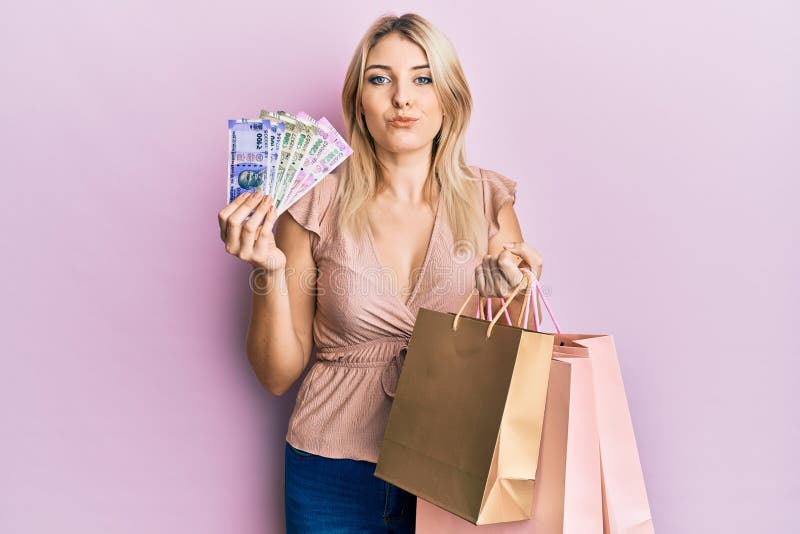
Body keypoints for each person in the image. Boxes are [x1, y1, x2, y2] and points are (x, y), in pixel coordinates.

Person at [217, 12, 544, 534]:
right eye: (380, 78)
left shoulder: (488, 200)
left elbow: (514, 354)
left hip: (456, 464)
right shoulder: (312, 201)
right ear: (358, 100)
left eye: (422, 77)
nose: (402, 98)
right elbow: (276, 375)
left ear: (450, 97)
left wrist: (514, 287)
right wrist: (270, 273)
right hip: (331, 471)